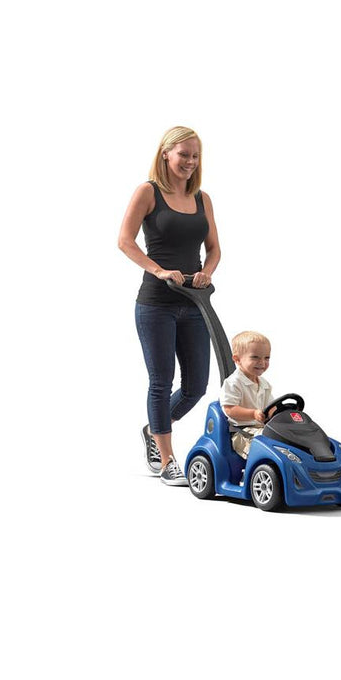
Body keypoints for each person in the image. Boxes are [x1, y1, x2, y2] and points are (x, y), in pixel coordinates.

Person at [118, 126, 220, 486]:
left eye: (195, 156)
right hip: (156, 304)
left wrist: (206, 273)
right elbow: (125, 240)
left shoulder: (202, 198)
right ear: (166, 153)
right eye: (184, 154)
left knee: (196, 386)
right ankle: (166, 460)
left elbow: (214, 249)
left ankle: (154, 428)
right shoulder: (148, 192)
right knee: (161, 383)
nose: (190, 161)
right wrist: (158, 270)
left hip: (194, 303)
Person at [220, 331, 274, 459]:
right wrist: (253, 414)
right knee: (262, 448)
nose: (262, 362)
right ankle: (257, 466)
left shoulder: (265, 384)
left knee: (283, 438)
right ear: (237, 359)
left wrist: (279, 414)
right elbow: (229, 409)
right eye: (255, 357)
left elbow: (271, 407)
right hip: (241, 432)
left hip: (261, 429)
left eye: (266, 358)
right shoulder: (233, 383)